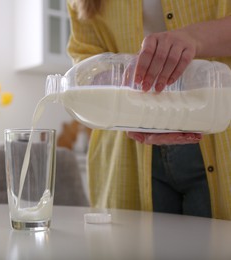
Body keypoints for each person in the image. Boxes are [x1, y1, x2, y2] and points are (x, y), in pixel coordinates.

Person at [67, 0, 231, 219]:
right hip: (127, 150)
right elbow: (85, 57)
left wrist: (194, 38)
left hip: (221, 134)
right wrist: (126, 112)